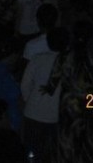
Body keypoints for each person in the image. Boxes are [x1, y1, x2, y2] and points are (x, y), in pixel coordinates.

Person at [43, 20, 93, 163]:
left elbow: (53, 82)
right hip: (90, 104)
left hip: (69, 105)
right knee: (90, 143)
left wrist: (48, 89)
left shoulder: (64, 57)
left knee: (67, 142)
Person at [21, 27, 69, 163]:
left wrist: (30, 101)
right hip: (56, 117)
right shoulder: (70, 63)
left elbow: (25, 85)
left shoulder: (37, 59)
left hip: (33, 113)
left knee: (31, 153)